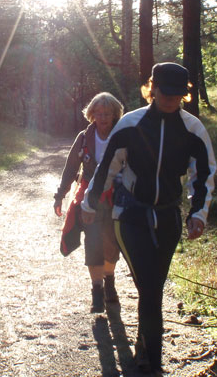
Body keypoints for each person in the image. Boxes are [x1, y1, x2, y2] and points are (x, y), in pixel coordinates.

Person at [82, 62, 216, 375]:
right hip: (129, 214)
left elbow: (205, 172)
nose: (170, 99)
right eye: (164, 92)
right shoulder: (130, 124)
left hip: (168, 217)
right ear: (151, 88)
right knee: (151, 285)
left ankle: (144, 345)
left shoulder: (192, 128)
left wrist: (199, 213)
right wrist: (89, 203)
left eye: (177, 94)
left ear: (185, 94)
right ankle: (153, 364)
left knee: (151, 285)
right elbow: (107, 168)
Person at [54, 92, 125, 313]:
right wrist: (60, 194)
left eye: (107, 113)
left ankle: (110, 281)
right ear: (92, 114)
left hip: (115, 194)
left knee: (112, 242)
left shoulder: (122, 135)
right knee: (93, 241)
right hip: (88, 196)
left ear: (115, 114)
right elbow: (71, 169)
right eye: (99, 113)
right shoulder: (84, 137)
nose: (103, 117)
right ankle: (97, 291)